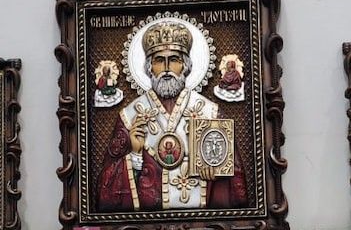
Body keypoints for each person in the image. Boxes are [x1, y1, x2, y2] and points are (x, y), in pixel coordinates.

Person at [97, 20, 247, 211]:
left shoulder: (210, 113)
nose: (167, 68)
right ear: (149, 67)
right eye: (159, 60)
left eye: (174, 60)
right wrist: (134, 155)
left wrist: (217, 173)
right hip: (146, 225)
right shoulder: (130, 117)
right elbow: (106, 191)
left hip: (203, 222)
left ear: (185, 66)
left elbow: (236, 188)